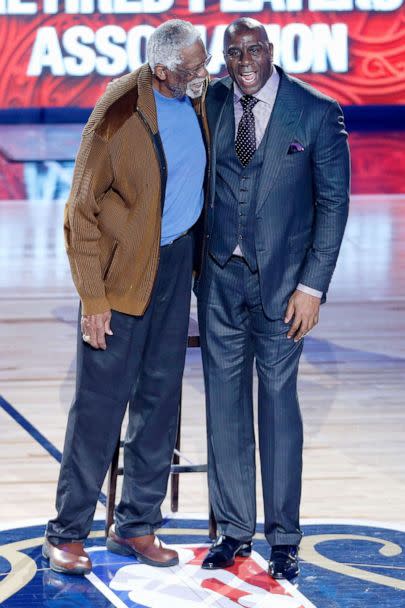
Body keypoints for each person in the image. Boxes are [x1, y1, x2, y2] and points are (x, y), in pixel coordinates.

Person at [43, 19, 210, 575]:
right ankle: (66, 533)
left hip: (175, 268)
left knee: (159, 404)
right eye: (193, 67)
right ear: (163, 70)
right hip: (119, 281)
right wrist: (92, 295)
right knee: (99, 408)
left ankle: (136, 525)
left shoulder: (199, 97)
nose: (204, 74)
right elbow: (81, 212)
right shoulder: (116, 116)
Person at [197, 17, 350, 579]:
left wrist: (312, 288)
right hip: (218, 281)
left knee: (278, 408)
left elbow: (333, 205)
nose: (244, 60)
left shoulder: (314, 111)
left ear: (270, 51)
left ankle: (284, 535)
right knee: (224, 408)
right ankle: (234, 530)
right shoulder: (211, 101)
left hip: (285, 288)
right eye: (234, 51)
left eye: (253, 49)